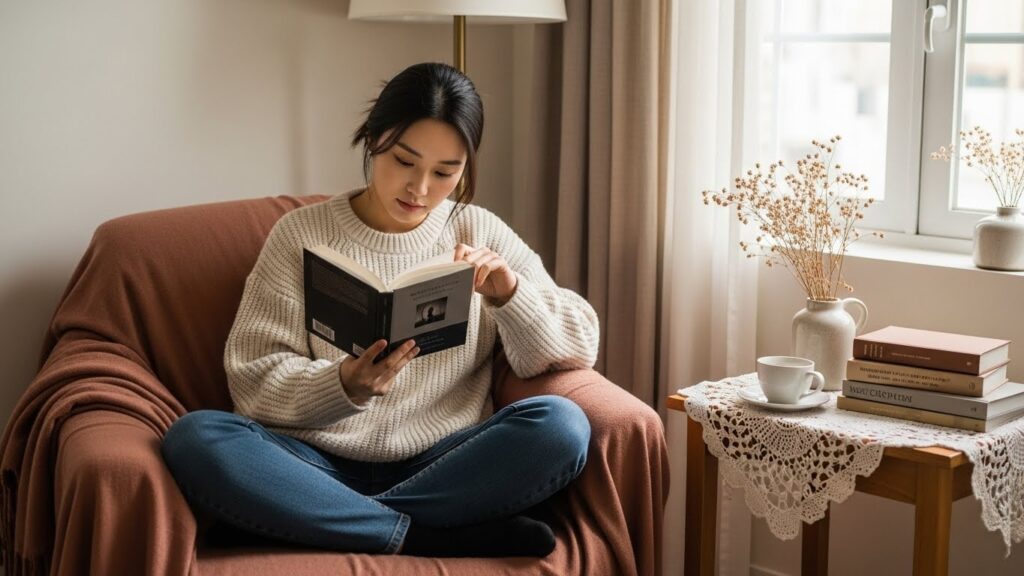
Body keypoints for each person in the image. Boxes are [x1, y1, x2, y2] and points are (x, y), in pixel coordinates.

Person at [161, 62, 600, 558]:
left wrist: (510, 295)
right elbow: (251, 380)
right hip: (313, 462)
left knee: (562, 426)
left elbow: (581, 343)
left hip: (443, 463)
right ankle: (424, 536)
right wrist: (343, 385)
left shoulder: (479, 231)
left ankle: (312, 518)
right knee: (195, 438)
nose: (420, 189)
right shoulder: (300, 235)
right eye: (403, 161)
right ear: (372, 139)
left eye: (445, 172)